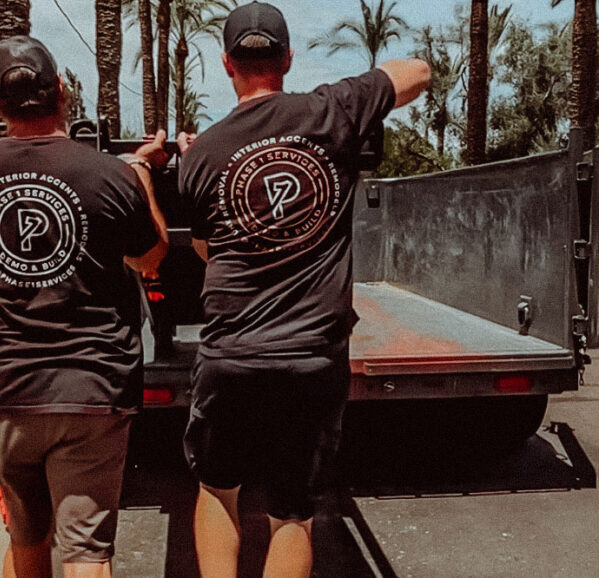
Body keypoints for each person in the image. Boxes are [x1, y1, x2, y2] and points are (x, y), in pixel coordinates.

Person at [176, 2, 430, 576]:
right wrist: (349, 96)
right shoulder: (333, 110)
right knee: (292, 513)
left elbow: (205, 250)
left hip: (232, 354)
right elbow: (417, 70)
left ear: (226, 64)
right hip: (312, 358)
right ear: (287, 60)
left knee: (218, 490)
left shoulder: (203, 155)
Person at [0, 35, 169, 578]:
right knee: (86, 552)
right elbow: (152, 257)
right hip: (91, 388)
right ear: (62, 92)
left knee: (26, 539)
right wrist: (141, 177)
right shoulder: (109, 175)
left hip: (5, 390)